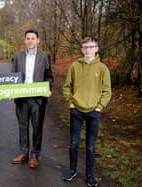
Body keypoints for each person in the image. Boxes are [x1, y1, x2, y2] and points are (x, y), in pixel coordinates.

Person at [61, 36, 111, 187]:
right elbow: (66, 86)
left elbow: (107, 91)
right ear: (82, 49)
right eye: (85, 47)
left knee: (90, 146)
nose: (88, 50)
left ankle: (90, 176)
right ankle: (72, 170)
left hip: (93, 112)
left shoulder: (102, 68)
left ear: (96, 48)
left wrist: (99, 107)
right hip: (76, 110)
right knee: (74, 143)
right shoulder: (74, 66)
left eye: (91, 47)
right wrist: (70, 102)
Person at [11, 28, 54, 168]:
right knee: (23, 127)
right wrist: (12, 91)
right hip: (21, 99)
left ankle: (35, 155)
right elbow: (13, 77)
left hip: (38, 100)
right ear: (25, 40)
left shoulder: (44, 56)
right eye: (28, 38)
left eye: (33, 38)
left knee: (37, 128)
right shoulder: (17, 57)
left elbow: (49, 77)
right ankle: (23, 153)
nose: (30, 40)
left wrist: (47, 88)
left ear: (38, 40)